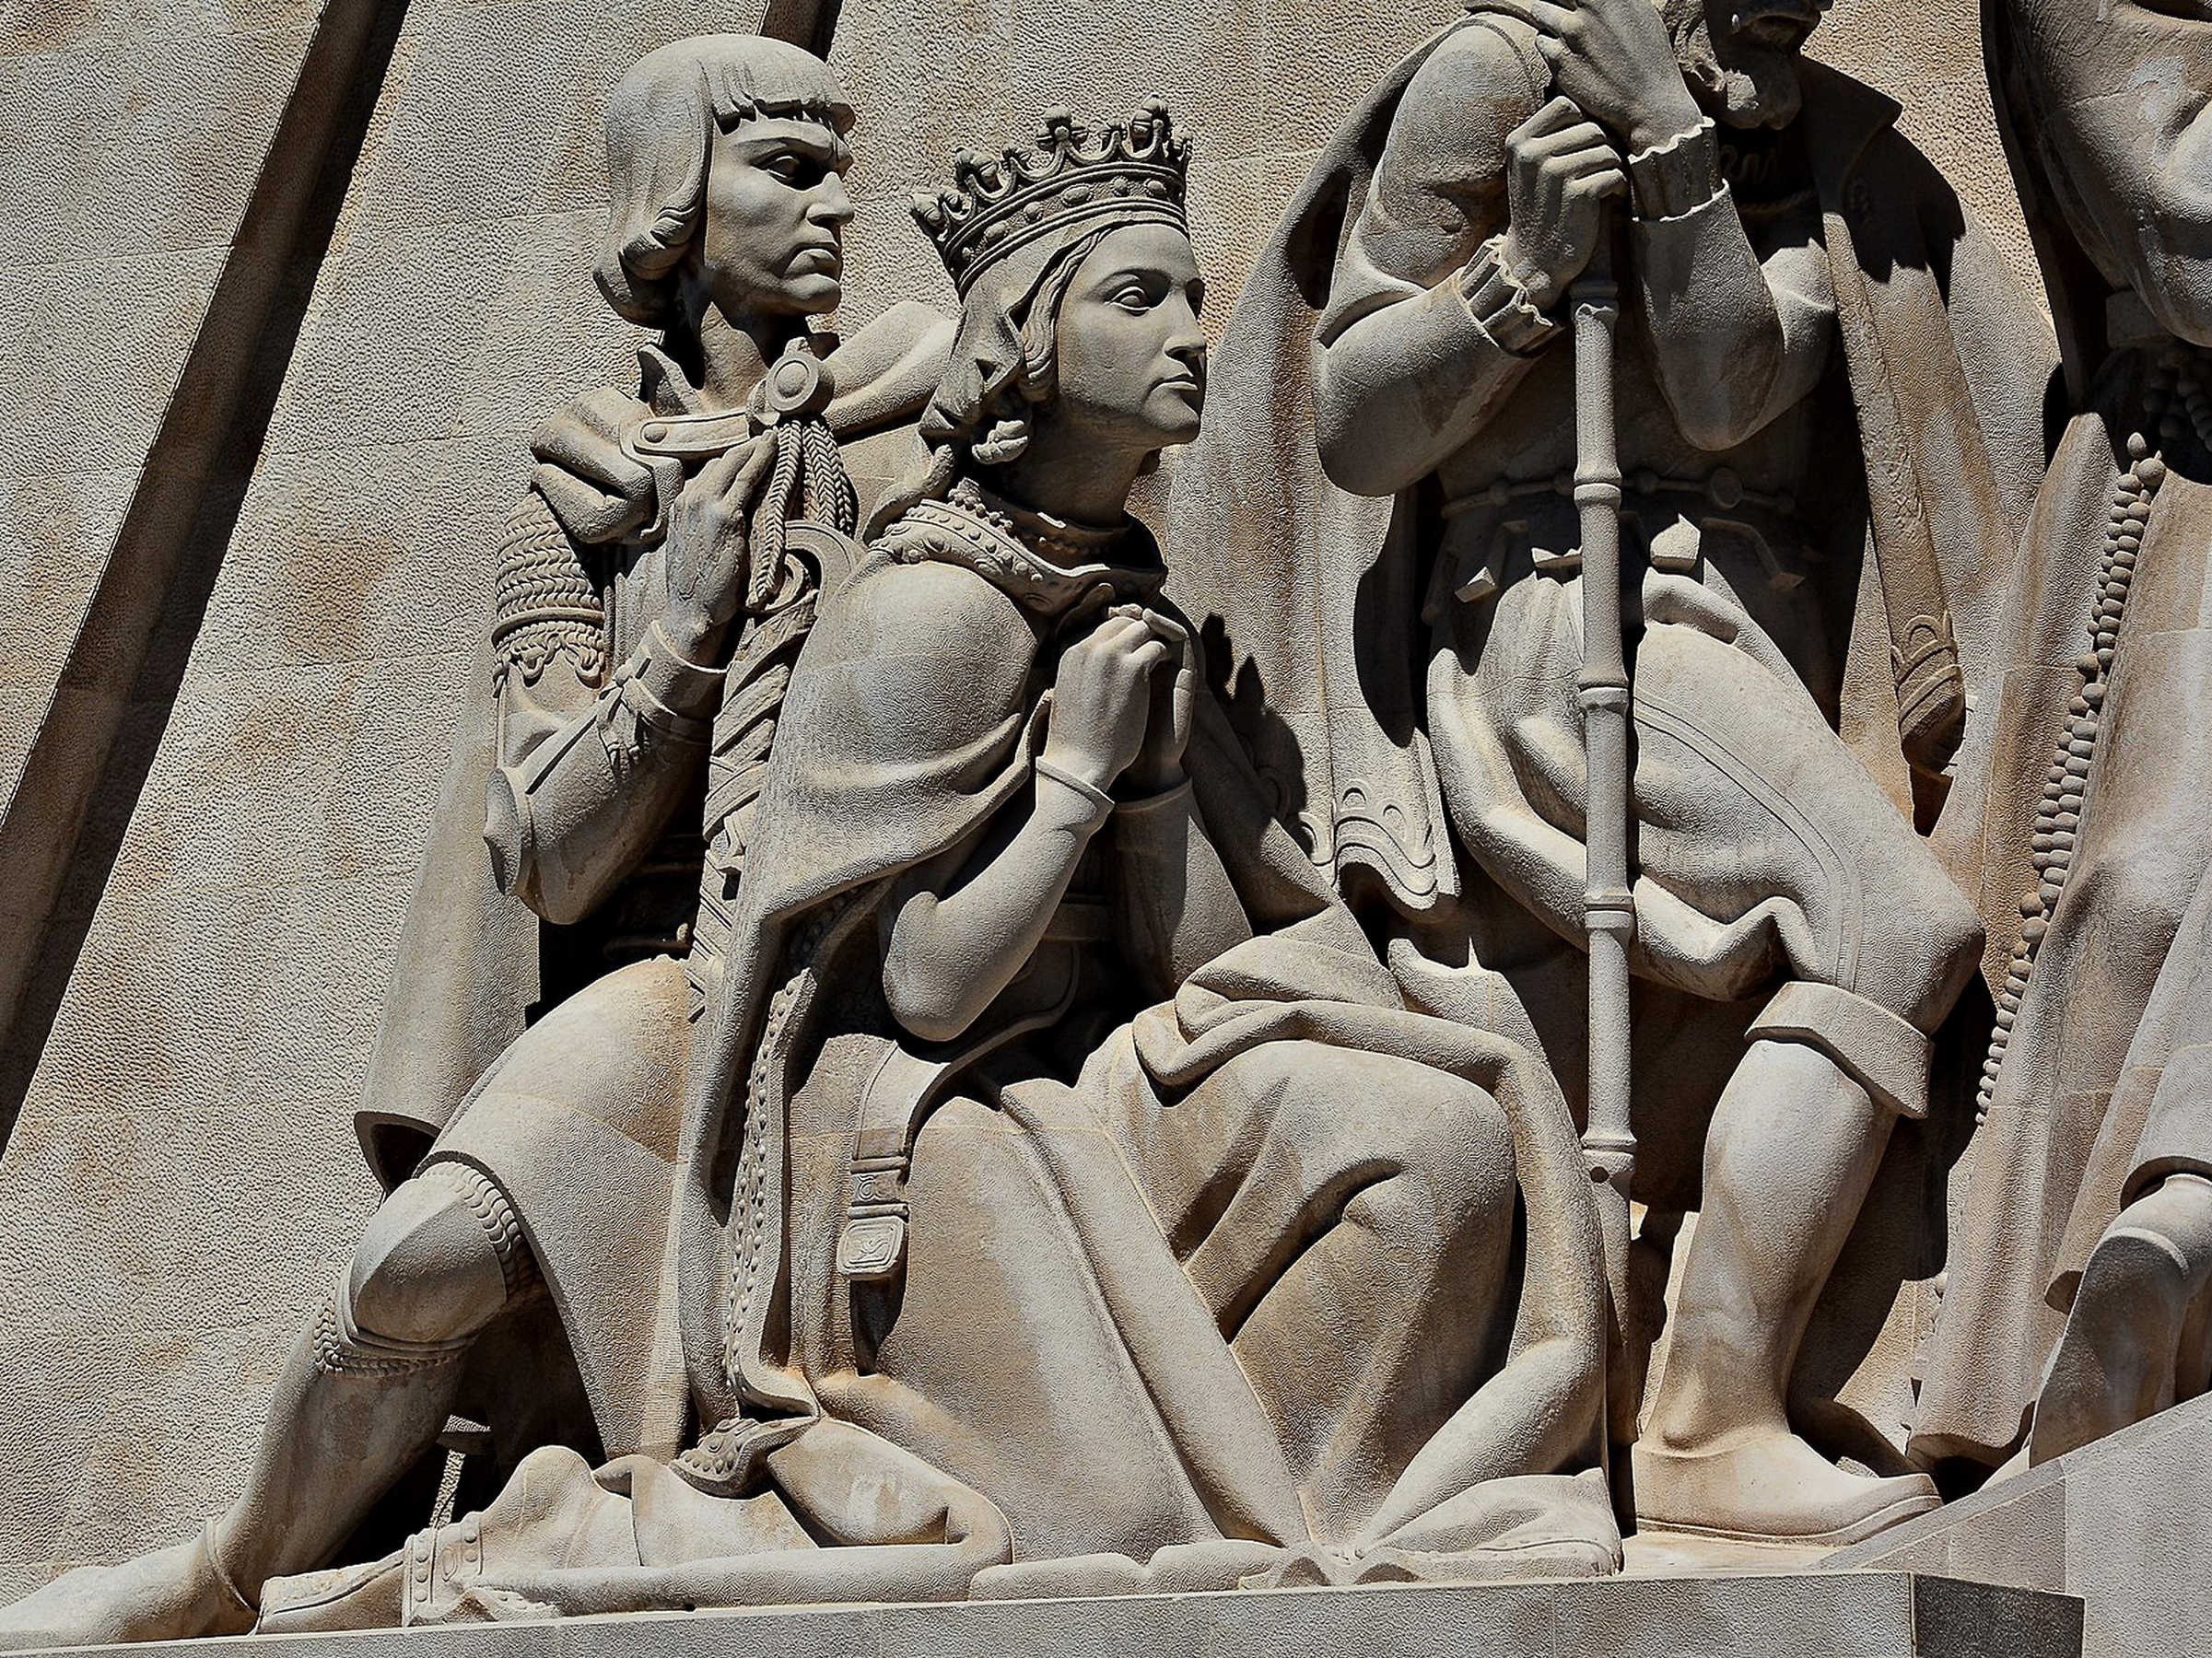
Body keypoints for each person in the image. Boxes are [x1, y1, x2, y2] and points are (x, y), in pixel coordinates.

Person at [231, 101, 1623, 1630]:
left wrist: (1150, 786)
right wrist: (1053, 766)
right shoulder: (638, 515)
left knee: (1437, 1137)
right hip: (765, 1044)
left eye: (1190, 298)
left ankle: (1315, 1533)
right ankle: (244, 1567)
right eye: (1137, 298)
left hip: (1034, 1060)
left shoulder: (1012, 518)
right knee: (421, 1268)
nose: (1189, 336)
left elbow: (1187, 958)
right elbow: (890, 973)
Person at [0, 35, 947, 1647]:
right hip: (655, 981)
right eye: (788, 167)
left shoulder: (907, 428)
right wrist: (689, 627)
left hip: (859, 978)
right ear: (674, 200)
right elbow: (558, 850)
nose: (838, 205)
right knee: (413, 1272)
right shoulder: (573, 513)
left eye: (841, 165)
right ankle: (235, 1563)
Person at [1168, 0, 2051, 1544]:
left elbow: (1727, 388)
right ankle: (1711, 1417)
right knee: (1893, 928)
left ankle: (1706, 1377)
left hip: (1741, 637)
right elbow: (1356, 421)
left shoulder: (1805, 140)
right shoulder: (1499, 71)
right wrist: (1516, 272)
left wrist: (1676, 156)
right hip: (1570, 622)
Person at [1913, 0, 2212, 1471]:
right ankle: (2156, 1252)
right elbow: (2189, 231)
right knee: (2147, 892)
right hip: (2198, 479)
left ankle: (2187, 1215)